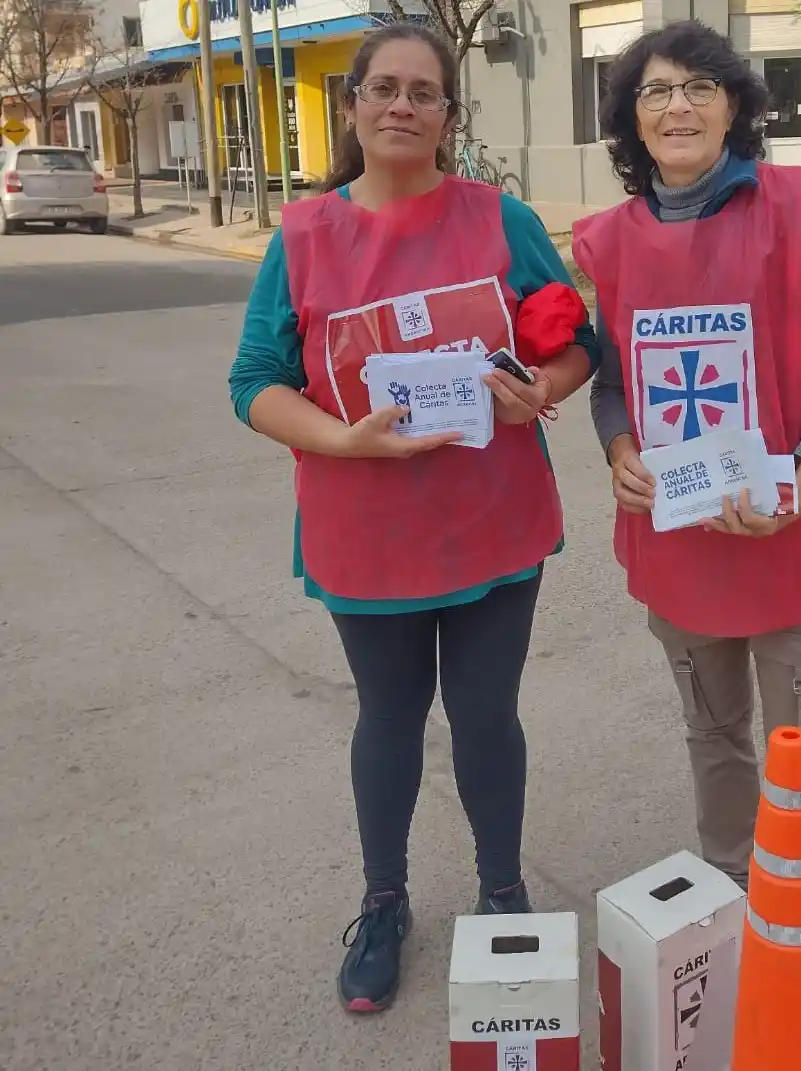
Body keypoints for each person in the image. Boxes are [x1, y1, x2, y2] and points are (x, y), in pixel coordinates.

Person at [228, 23, 599, 1015]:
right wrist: (343, 442)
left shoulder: (500, 219)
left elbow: (576, 341)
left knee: (485, 718)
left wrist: (544, 385)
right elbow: (254, 383)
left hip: (494, 523)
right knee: (389, 719)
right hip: (366, 536)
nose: (402, 105)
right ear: (352, 106)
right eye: (383, 88)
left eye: (423, 92)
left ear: (446, 114)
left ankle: (501, 888)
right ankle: (384, 900)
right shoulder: (304, 235)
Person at [573, 20, 801, 1067]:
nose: (678, 106)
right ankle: (732, 918)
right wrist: (615, 440)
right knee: (713, 742)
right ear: (629, 118)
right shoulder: (609, 243)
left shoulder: (799, 215)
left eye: (702, 88)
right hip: (684, 543)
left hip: (790, 531)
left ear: (738, 108)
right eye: (656, 91)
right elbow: (615, 377)